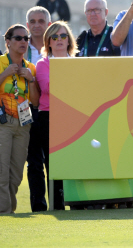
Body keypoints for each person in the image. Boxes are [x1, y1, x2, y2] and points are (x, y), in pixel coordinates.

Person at [36, 21, 79, 211]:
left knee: (74, 159)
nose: (60, 40)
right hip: (49, 116)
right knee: (53, 162)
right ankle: (57, 205)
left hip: (75, 116)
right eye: (55, 37)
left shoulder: (80, 62)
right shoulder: (42, 63)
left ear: (69, 40)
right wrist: (71, 83)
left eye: (63, 36)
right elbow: (47, 88)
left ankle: (78, 203)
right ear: (49, 42)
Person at [0, 24, 40, 214]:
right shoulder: (0, 62)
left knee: (16, 174)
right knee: (1, 171)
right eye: (19, 38)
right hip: (3, 123)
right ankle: (5, 213)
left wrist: (31, 80)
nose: (24, 41)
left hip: (24, 124)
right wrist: (4, 75)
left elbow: (35, 101)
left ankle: (9, 209)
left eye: (26, 38)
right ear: (8, 42)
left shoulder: (30, 67)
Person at [24, 7, 50, 212]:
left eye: (41, 21)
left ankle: (59, 204)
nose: (36, 25)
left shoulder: (56, 48)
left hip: (51, 111)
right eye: (32, 21)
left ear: (48, 25)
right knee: (34, 162)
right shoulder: (20, 48)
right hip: (27, 110)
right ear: (27, 25)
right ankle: (39, 207)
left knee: (54, 161)